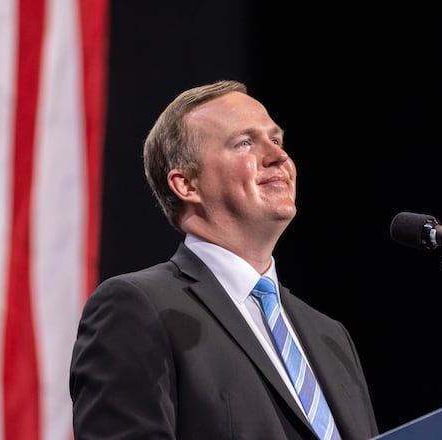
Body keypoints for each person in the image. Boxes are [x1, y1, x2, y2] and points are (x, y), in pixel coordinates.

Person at [69, 79, 380, 440]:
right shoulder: (138, 308)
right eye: (244, 143)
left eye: (276, 140)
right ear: (187, 185)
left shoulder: (330, 336)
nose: (278, 156)